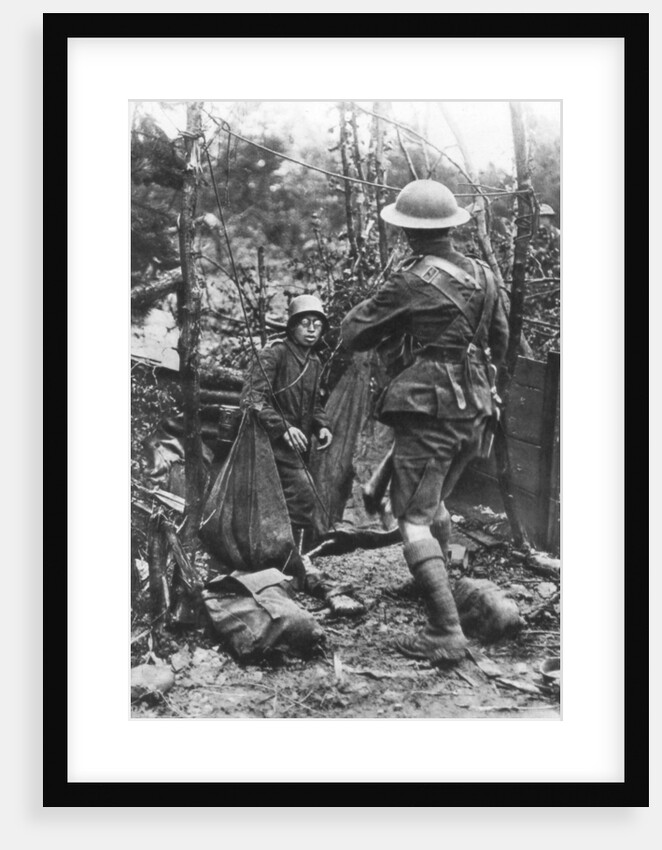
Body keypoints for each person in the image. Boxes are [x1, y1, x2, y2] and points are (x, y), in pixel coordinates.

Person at [341, 179, 509, 663]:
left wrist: (396, 307)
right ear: (450, 228)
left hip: (431, 406)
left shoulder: (411, 280)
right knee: (432, 503)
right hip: (477, 409)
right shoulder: (484, 275)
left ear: (409, 234)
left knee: (411, 518)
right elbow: (499, 342)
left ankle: (445, 631)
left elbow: (354, 333)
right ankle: (439, 589)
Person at [239, 294, 333, 564]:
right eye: (305, 323)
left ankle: (290, 556)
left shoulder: (314, 362)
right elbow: (252, 399)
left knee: (298, 499)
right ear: (292, 327)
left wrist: (322, 425)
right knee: (303, 494)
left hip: (297, 449)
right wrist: (284, 428)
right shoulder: (275, 353)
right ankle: (284, 557)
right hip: (266, 444)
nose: (312, 329)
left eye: (317, 323)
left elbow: (314, 403)